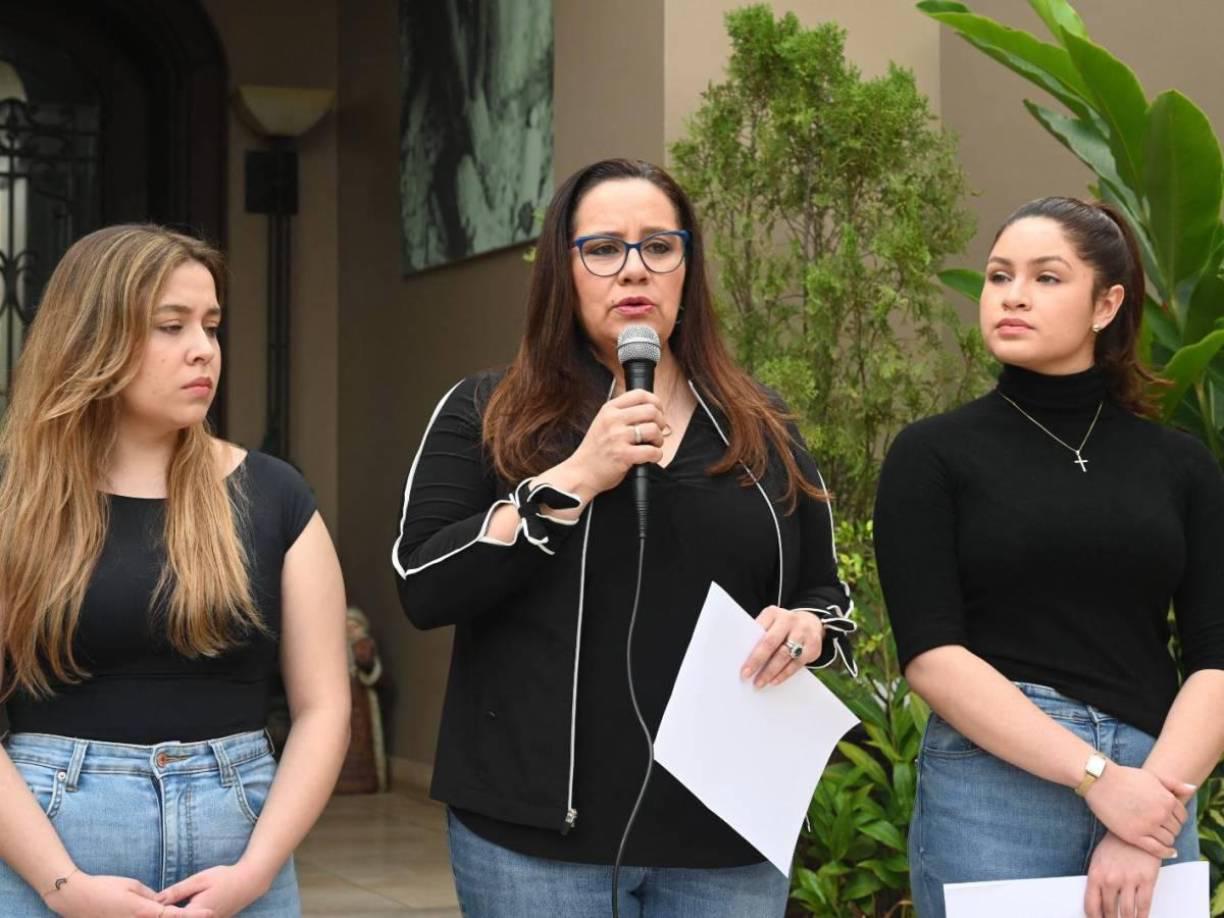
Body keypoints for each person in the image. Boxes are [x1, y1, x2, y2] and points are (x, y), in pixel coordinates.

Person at [392, 158, 856, 917]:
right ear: (563, 270)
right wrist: (573, 479)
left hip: (726, 834)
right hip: (539, 840)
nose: (633, 269)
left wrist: (807, 629)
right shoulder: (486, 411)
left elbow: (825, 593)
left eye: (659, 247)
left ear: (687, 267)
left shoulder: (761, 424)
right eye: (603, 248)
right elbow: (422, 582)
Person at [874, 197, 1224, 918]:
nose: (1013, 295)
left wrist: (1144, 814)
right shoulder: (933, 454)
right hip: (994, 785)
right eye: (1000, 276)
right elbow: (932, 655)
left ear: (1108, 303)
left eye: (1046, 278)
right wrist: (1100, 780)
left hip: (1158, 771)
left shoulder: (1181, 465)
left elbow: (1217, 658)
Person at [0, 225, 350, 917]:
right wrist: (60, 886)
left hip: (239, 849)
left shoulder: (275, 495)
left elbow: (324, 708)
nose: (203, 349)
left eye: (211, 326)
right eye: (170, 325)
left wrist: (255, 873)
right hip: (52, 847)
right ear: (92, 338)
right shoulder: (16, 502)